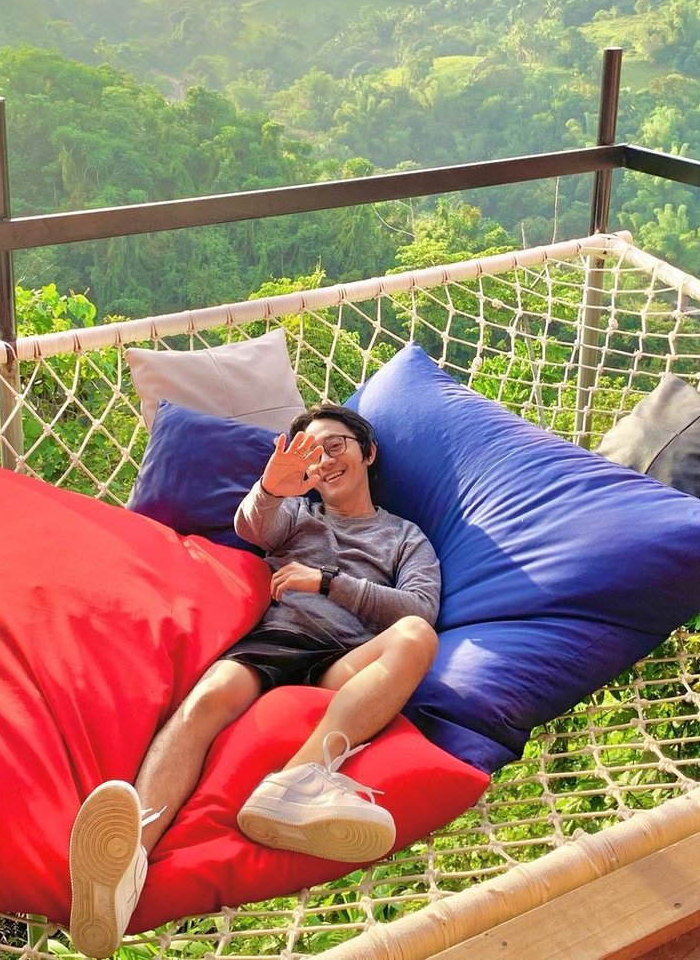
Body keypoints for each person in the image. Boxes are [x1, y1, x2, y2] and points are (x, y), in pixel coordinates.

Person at [68, 404, 441, 958]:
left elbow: (420, 606)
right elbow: (253, 525)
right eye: (312, 453)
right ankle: (125, 865)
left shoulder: (404, 536)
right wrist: (270, 488)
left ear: (368, 452)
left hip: (345, 658)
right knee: (207, 700)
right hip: (278, 638)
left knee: (416, 636)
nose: (325, 460)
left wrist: (326, 582)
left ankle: (295, 784)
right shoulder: (297, 515)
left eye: (335, 445)